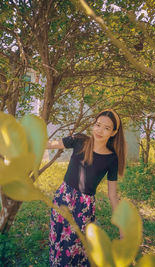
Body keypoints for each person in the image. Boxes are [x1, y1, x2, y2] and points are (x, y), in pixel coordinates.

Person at [47, 109, 126, 267]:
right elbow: (50, 144)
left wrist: (122, 226)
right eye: (98, 125)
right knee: (58, 241)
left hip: (84, 208)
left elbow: (112, 194)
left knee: (76, 247)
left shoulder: (111, 158)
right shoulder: (79, 140)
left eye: (106, 128)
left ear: (114, 132)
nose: (100, 130)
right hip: (63, 198)